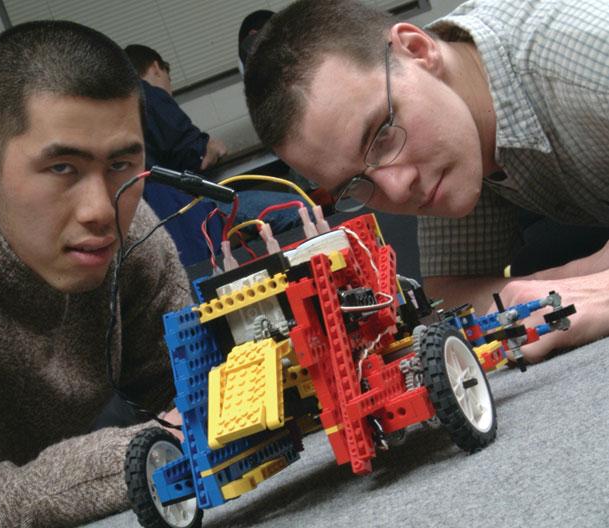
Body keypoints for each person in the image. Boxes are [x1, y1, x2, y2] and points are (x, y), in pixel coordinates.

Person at [0, 20, 191, 526]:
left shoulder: (134, 232)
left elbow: (187, 395)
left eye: (122, 164)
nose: (100, 210)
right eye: (63, 168)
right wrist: (128, 457)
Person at [244, 0, 609, 362]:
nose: (397, 188)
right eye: (355, 183)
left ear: (418, 50)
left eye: (382, 134)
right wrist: (571, 278)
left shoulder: (587, 55)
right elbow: (450, 294)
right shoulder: (449, 122)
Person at [124, 44, 227, 267]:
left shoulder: (114, 106)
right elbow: (198, 156)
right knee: (293, 208)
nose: (169, 88)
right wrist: (214, 147)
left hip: (150, 224)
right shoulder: (150, 95)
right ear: (156, 68)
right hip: (186, 211)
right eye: (169, 78)